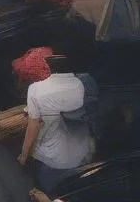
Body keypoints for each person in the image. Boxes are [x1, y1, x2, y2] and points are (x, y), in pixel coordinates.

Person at [18, 54, 95, 195]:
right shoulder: (82, 85)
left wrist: (24, 156)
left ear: (48, 67)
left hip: (51, 160)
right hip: (81, 158)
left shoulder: (36, 89)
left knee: (44, 194)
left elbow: (33, 128)